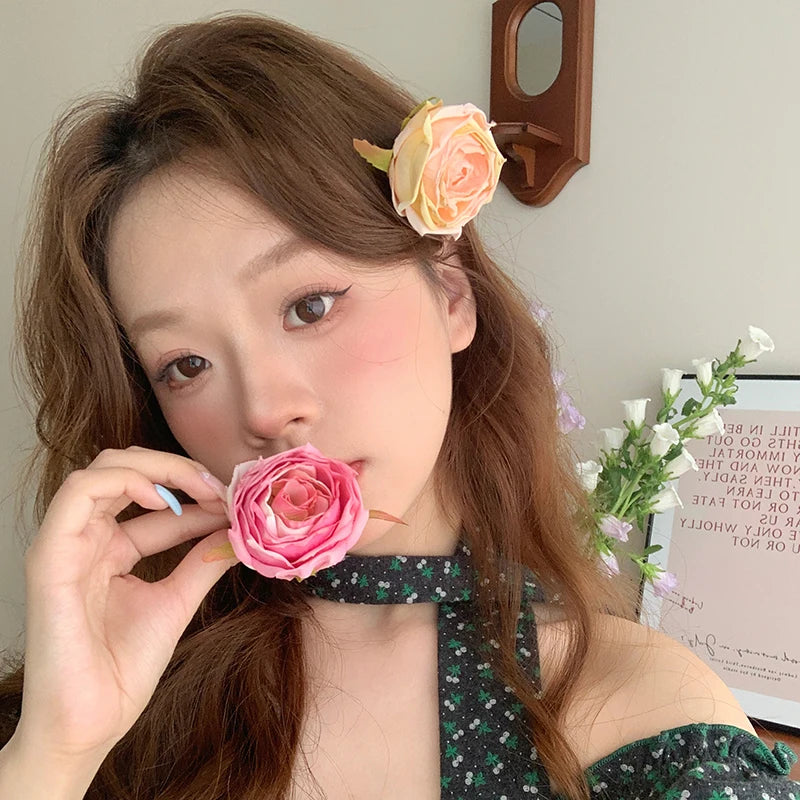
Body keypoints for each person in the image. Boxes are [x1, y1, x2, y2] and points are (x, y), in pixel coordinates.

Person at [0, 11, 797, 800]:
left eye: (310, 306)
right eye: (187, 364)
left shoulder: (643, 715)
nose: (265, 410)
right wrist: (55, 754)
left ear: (449, 290)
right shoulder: (119, 685)